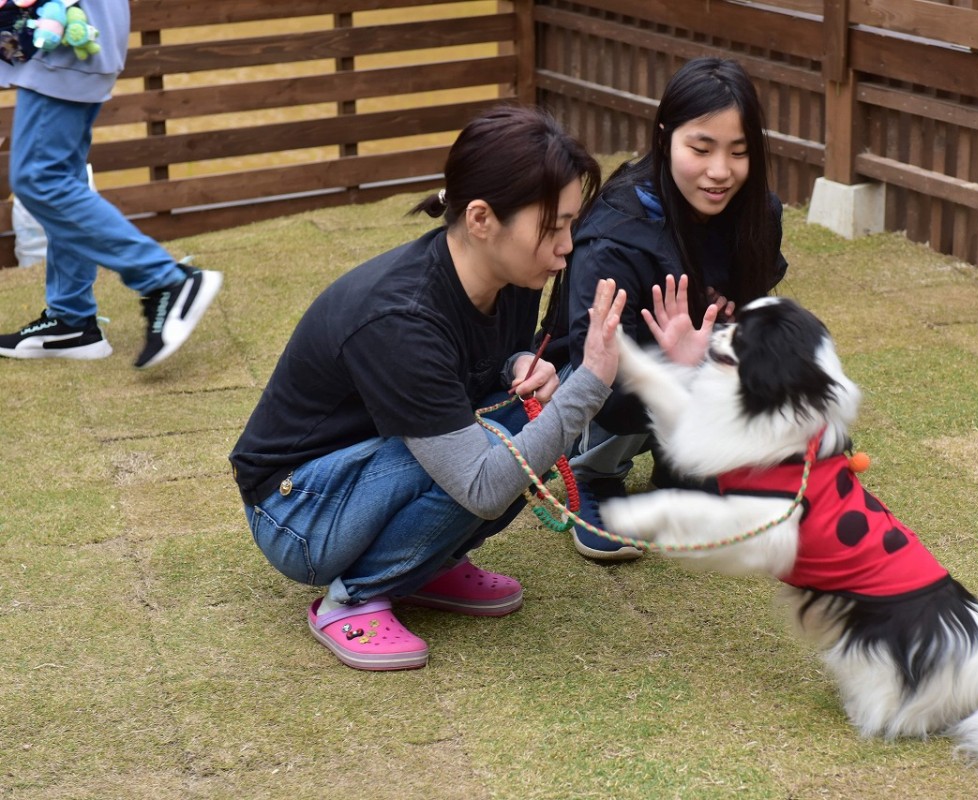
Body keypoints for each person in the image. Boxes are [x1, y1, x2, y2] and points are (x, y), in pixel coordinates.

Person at [229, 106, 627, 671]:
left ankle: (420, 566)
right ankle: (354, 597)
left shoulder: (511, 273)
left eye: (570, 224)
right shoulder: (402, 318)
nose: (566, 245)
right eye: (552, 226)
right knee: (500, 449)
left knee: (520, 422)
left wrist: (519, 365)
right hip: (297, 514)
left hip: (370, 469)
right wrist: (586, 386)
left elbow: (481, 363)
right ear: (482, 218)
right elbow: (483, 487)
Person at [542, 56, 789, 560]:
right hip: (596, 379)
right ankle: (593, 474)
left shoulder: (756, 213)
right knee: (623, 363)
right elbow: (595, 369)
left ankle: (683, 464)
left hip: (690, 373)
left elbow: (756, 311)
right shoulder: (616, 235)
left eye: (739, 152)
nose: (720, 171)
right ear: (664, 138)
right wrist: (680, 367)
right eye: (701, 148)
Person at [0, 0, 222, 367]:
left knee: (40, 178)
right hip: (74, 36)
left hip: (61, 36)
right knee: (61, 176)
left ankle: (165, 279)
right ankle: (71, 322)